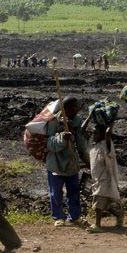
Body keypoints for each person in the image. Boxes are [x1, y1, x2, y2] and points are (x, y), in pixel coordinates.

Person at [45, 96, 90, 227]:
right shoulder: (54, 122)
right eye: (74, 107)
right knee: (56, 192)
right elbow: (49, 143)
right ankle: (58, 216)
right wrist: (62, 138)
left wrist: (86, 159)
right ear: (66, 109)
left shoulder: (77, 121)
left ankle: (75, 216)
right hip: (56, 163)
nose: (77, 109)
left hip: (71, 162)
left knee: (74, 191)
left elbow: (80, 143)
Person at [87, 123, 123, 233]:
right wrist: (89, 117)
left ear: (102, 135)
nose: (94, 135)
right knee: (106, 204)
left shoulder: (106, 145)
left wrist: (110, 121)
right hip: (97, 179)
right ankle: (119, 215)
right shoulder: (94, 146)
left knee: (98, 203)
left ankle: (97, 225)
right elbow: (82, 132)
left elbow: (108, 134)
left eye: (96, 133)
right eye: (93, 133)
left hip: (105, 178)